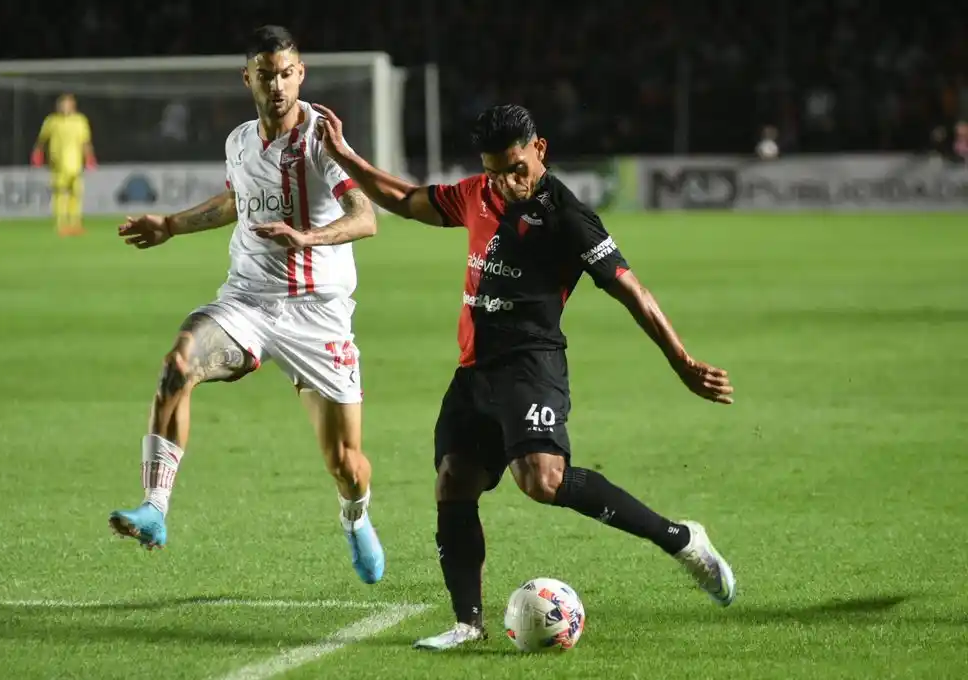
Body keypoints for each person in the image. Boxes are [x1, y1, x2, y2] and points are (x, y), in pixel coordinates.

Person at [312, 102, 737, 647]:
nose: (508, 182)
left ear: (539, 150)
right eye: (494, 171)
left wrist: (682, 362)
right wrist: (346, 156)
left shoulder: (568, 216)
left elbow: (632, 290)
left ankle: (679, 539)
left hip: (531, 363)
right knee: (454, 481)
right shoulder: (476, 194)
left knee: (542, 480)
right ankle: (468, 623)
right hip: (474, 369)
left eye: (516, 167)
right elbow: (404, 198)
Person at [108, 25, 386, 585]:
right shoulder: (238, 141)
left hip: (318, 314)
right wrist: (171, 225)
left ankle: (355, 517)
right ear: (249, 79)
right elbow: (236, 201)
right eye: (267, 76)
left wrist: (309, 238)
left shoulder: (321, 139)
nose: (278, 86)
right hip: (249, 301)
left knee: (346, 464)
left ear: (300, 73)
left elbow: (366, 218)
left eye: (287, 73)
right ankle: (155, 509)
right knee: (177, 365)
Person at [31, 93, 96, 236]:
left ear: (73, 106)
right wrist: (37, 154)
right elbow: (42, 140)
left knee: (76, 193)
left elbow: (85, 142)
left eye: (67, 104)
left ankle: (75, 224)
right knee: (60, 193)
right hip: (58, 165)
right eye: (62, 104)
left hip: (75, 164)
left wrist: (90, 158)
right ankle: (61, 224)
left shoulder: (80, 121)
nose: (64, 107)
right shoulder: (52, 121)